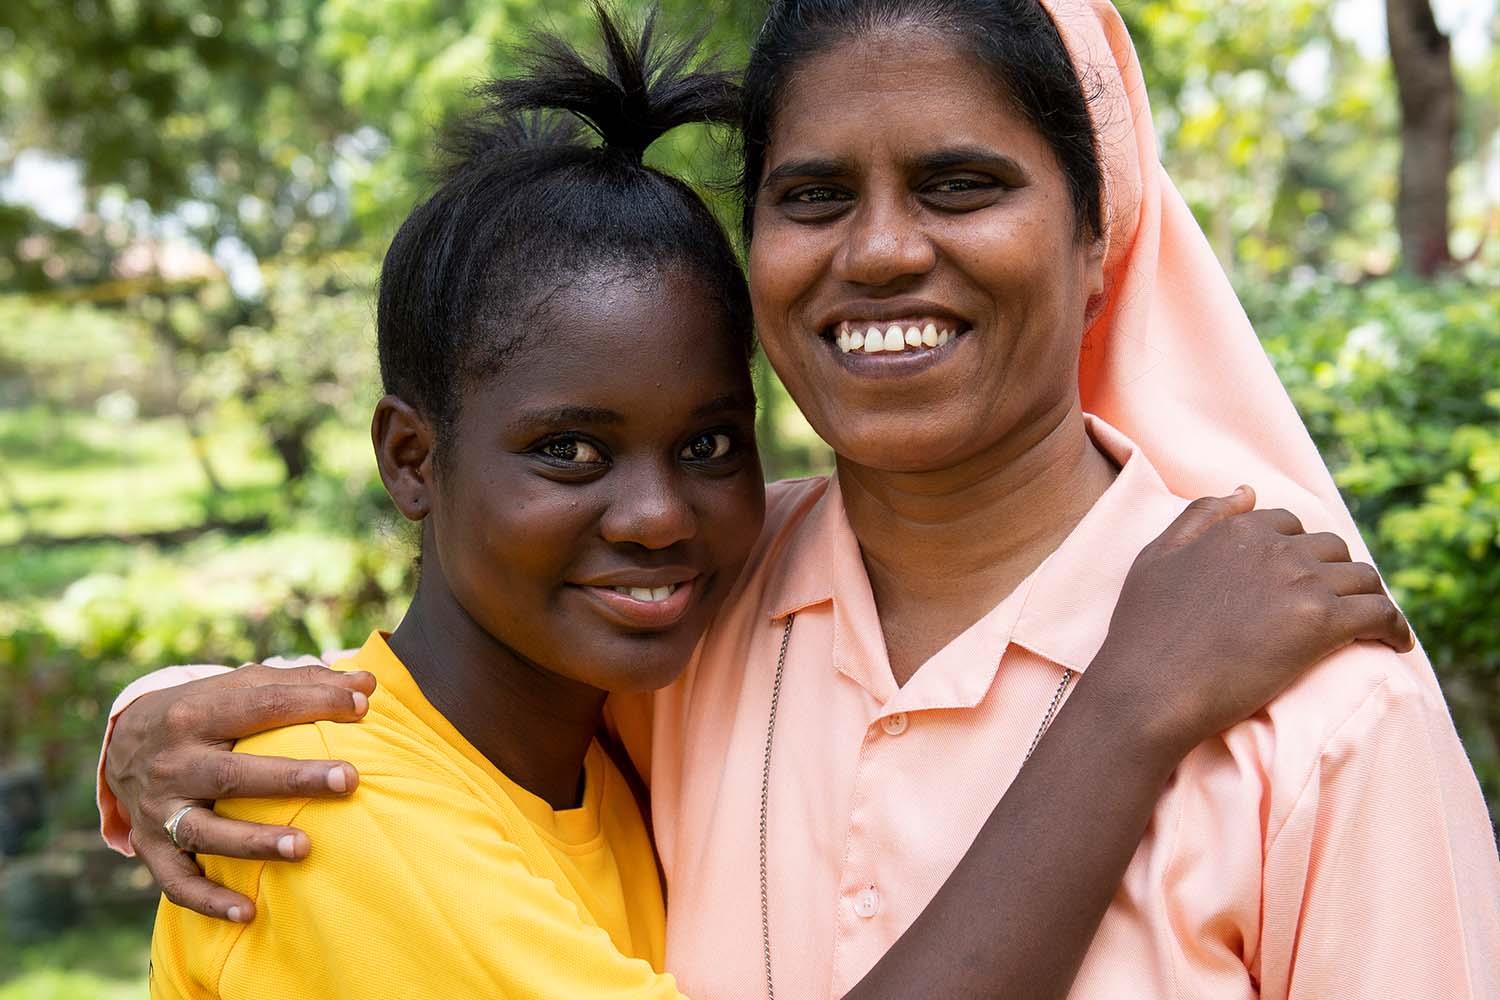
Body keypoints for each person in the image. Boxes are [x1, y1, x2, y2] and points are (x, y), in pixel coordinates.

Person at [105, 1, 1500, 998]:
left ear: (1098, 241)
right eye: (816, 193)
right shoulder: (692, 620)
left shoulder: (1312, 712)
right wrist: (158, 721)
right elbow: (431, 739)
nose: (884, 250)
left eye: (962, 183)